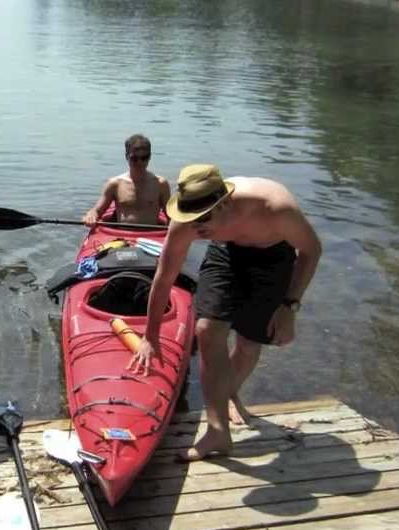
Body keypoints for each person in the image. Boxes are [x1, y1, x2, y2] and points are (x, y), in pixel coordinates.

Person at [128, 164, 321, 461]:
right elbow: (164, 277)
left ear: (225, 203)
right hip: (227, 251)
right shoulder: (190, 222)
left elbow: (312, 251)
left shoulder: (275, 209)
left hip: (273, 256)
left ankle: (230, 391)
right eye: (191, 220)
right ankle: (217, 430)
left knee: (247, 342)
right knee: (206, 330)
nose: (197, 229)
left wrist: (289, 307)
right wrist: (150, 336)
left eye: (204, 219)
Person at [81, 134, 171, 227]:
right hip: (122, 236)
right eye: (134, 158)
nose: (140, 162)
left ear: (150, 157)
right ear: (127, 157)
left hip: (151, 237)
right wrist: (91, 216)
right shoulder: (115, 184)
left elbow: (171, 216)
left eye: (144, 158)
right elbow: (97, 210)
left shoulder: (160, 184)